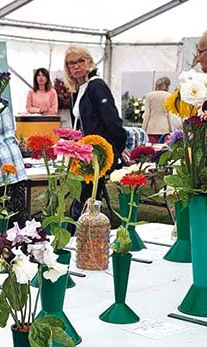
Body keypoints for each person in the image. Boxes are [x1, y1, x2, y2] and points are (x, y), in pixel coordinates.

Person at [64, 45, 127, 223]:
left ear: (90, 62)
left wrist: (116, 150)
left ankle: (85, 231)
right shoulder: (80, 89)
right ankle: (84, 230)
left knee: (87, 197)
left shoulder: (96, 86)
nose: (75, 66)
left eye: (80, 61)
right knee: (84, 195)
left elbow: (112, 120)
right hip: (85, 153)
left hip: (98, 154)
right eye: (70, 63)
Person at [142, 77, 175, 143]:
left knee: (152, 150)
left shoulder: (149, 96)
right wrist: (172, 130)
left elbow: (147, 115)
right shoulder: (169, 96)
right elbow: (170, 116)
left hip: (151, 129)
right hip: (165, 129)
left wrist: (143, 130)